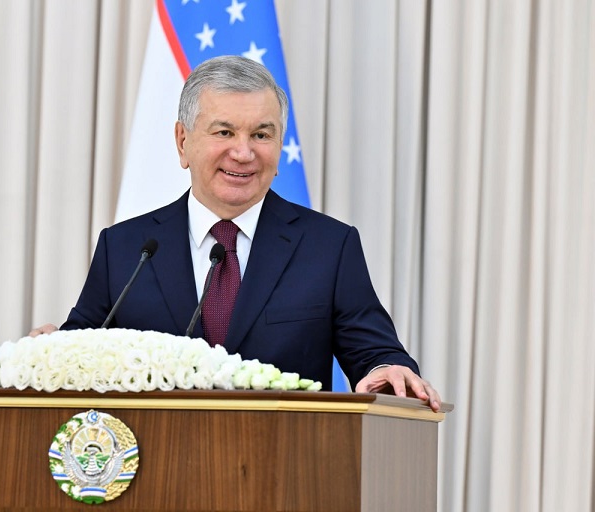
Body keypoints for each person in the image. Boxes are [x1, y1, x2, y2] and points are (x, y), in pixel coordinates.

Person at [31, 55, 441, 412]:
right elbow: (79, 351)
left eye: (261, 135)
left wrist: (387, 369)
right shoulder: (125, 248)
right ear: (183, 141)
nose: (244, 153)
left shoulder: (329, 247)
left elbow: (375, 352)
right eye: (224, 132)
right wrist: (49, 353)